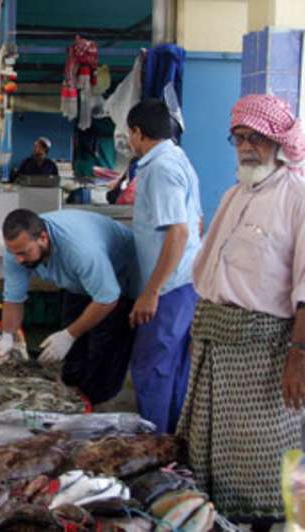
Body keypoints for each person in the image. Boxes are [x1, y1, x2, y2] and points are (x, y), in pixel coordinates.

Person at [176, 94, 305, 528]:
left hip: (265, 352)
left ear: (280, 142)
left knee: (265, 455)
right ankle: (220, 521)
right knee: (209, 450)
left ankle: (276, 523)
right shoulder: (235, 193)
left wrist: (298, 356)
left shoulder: (297, 197)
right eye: (239, 138)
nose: (247, 147)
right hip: (215, 339)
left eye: (257, 139)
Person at [0, 209, 137, 405]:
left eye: (24, 253)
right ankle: (72, 401)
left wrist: (69, 335)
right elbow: (13, 299)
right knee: (72, 364)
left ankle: (93, 412)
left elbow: (108, 298)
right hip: (77, 283)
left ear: (43, 238)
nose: (18, 259)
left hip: (119, 281)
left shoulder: (80, 250)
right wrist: (7, 336)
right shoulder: (17, 251)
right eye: (14, 253)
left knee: (102, 362)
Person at [126, 99, 202, 434]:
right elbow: (196, 222)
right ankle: (173, 446)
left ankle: (155, 448)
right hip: (185, 282)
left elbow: (180, 231)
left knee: (153, 368)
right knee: (173, 370)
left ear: (138, 133)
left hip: (169, 288)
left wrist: (151, 292)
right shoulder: (177, 157)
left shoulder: (160, 169)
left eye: (129, 134)